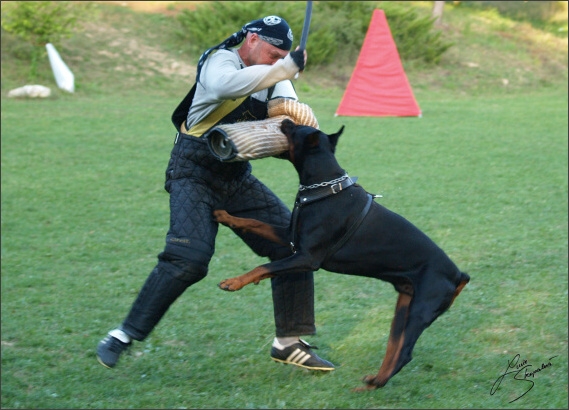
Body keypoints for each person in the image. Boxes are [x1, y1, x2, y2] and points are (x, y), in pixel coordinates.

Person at [97, 15, 335, 372]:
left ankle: (289, 342)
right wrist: (284, 68)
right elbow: (226, 87)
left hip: (236, 178)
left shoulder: (274, 74)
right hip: (192, 172)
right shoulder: (220, 60)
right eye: (272, 54)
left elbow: (289, 108)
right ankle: (123, 335)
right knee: (188, 259)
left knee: (292, 245)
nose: (275, 62)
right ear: (252, 40)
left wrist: (301, 121)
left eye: (280, 58)